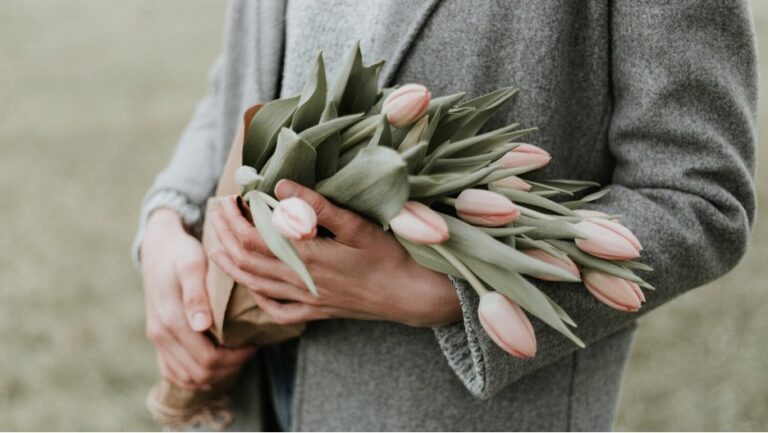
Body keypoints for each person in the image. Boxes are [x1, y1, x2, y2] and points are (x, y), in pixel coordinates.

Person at [134, 0, 758, 430]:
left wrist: (441, 293)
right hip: (250, 395)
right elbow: (245, 74)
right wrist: (168, 219)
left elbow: (698, 197)